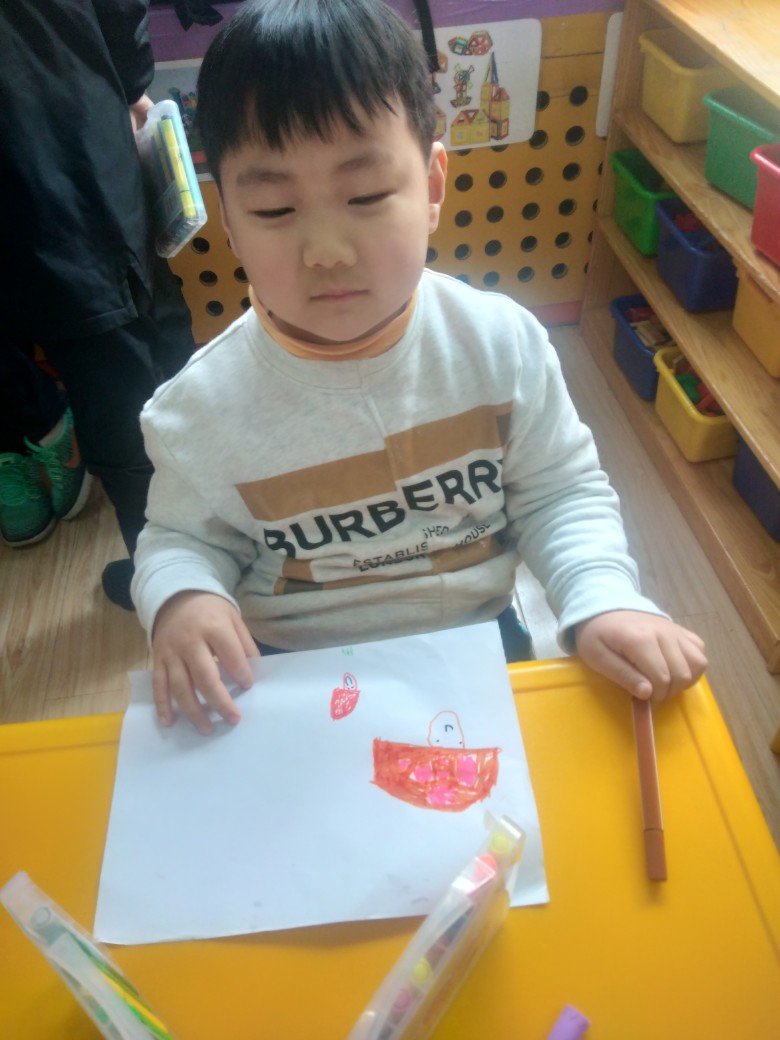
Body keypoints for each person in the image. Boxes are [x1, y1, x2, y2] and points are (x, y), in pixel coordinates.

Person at [131, 0, 707, 735]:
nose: (327, 250)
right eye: (274, 209)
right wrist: (184, 599)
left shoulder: (500, 346)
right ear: (231, 221)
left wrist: (602, 598)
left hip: (477, 641)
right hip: (290, 670)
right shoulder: (197, 410)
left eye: (367, 196)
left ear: (433, 187)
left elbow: (560, 492)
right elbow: (181, 539)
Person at [0, 0, 196, 604]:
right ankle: (195, 563)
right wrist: (131, 83)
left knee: (117, 375)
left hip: (47, 140)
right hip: (69, 114)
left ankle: (172, 581)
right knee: (141, 340)